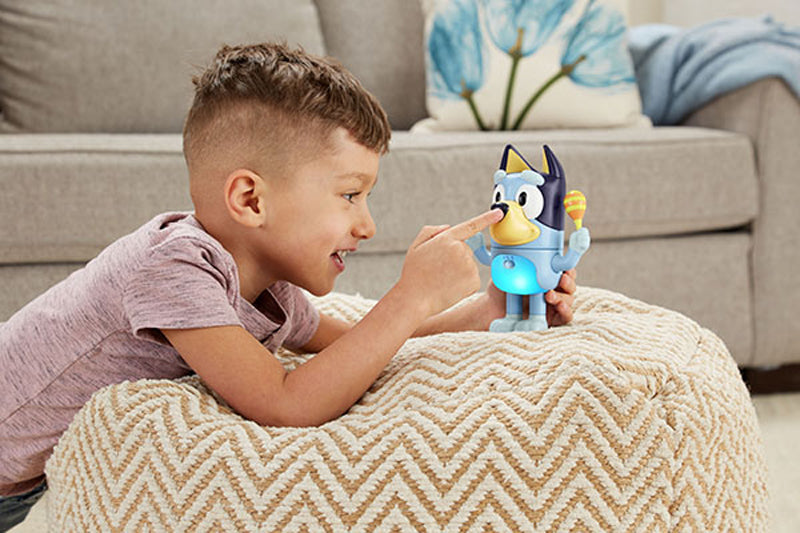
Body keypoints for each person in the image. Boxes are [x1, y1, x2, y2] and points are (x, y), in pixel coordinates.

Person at [0, 42, 578, 530]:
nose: (367, 225)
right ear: (251, 199)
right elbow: (284, 404)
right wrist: (410, 295)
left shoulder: (266, 288)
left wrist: (484, 310)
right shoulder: (172, 268)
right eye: (350, 194)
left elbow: (353, 343)